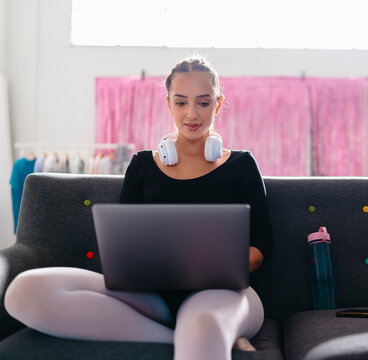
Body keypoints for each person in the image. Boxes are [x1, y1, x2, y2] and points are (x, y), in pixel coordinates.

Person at [4, 57, 273, 360]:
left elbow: (261, 245)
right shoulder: (143, 165)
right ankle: (175, 337)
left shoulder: (241, 164)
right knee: (23, 292)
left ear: (218, 104)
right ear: (169, 103)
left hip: (223, 293)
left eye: (203, 103)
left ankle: (200, 334)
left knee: (202, 326)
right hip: (152, 296)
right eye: (181, 103)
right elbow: (124, 245)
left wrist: (208, 267)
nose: (192, 114)